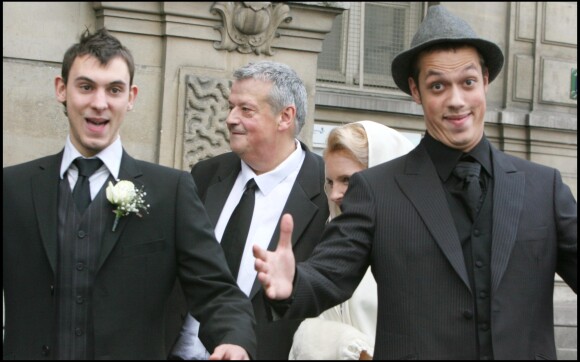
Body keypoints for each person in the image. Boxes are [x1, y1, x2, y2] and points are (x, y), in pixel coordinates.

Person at [253, 5, 577, 360]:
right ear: (416, 91)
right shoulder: (377, 191)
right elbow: (329, 275)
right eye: (438, 85)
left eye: (467, 82)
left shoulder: (543, 188)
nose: (456, 101)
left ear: (484, 81)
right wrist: (291, 284)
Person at [2, 28, 256, 360]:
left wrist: (234, 340)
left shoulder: (171, 192)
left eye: (114, 89)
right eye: (86, 86)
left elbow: (218, 291)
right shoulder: (12, 187)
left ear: (131, 97)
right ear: (61, 89)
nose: (99, 103)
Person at [169, 60, 329, 360]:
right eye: (231, 107)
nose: (230, 119)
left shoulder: (326, 190)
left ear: (285, 117)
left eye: (246, 109)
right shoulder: (205, 174)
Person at [288, 121, 414, 360]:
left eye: (347, 180)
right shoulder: (333, 243)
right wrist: (347, 342)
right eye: (330, 182)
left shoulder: (418, 248)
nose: (335, 194)